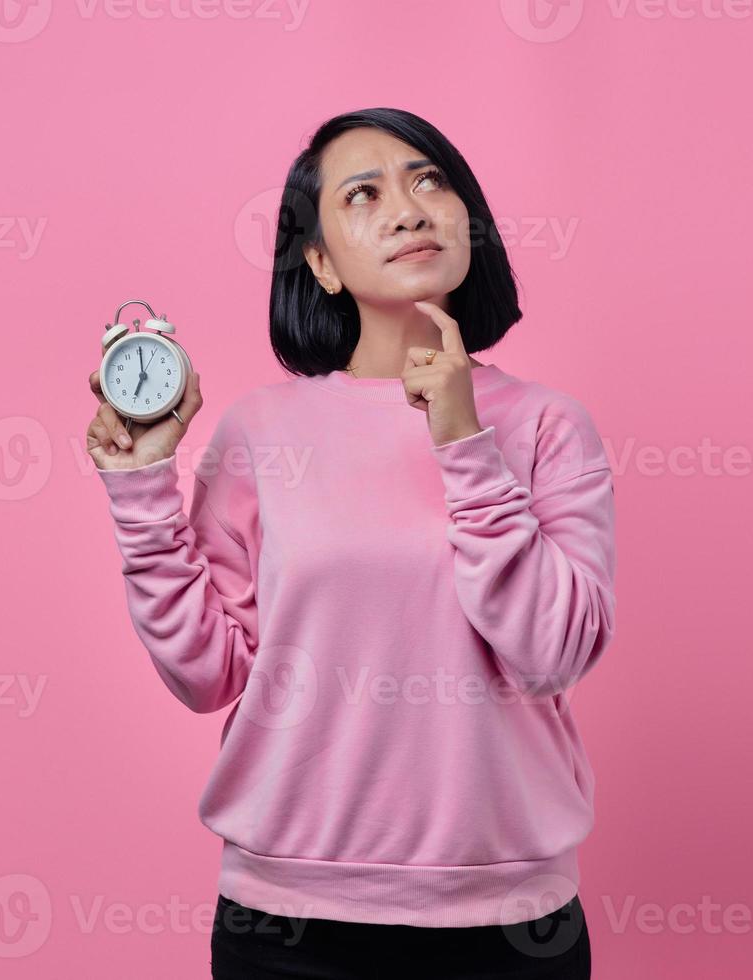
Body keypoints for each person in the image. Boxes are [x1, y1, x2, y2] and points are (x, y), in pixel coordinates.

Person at [85, 107, 613, 978]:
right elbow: (207, 675)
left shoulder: (550, 426)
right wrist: (143, 493)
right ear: (321, 262)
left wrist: (462, 439)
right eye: (363, 194)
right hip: (287, 923)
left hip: (510, 925)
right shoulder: (263, 430)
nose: (409, 210)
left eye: (430, 181)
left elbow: (551, 653)